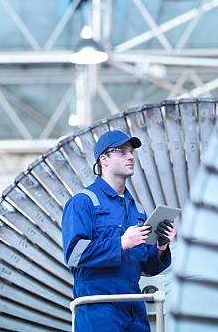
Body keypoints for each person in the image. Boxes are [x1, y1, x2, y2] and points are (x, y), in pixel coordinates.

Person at [62, 129, 177, 332]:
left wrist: (161, 245)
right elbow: (74, 254)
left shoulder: (136, 209)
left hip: (134, 310)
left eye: (131, 151)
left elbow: (146, 266)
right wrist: (121, 243)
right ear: (104, 160)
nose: (131, 156)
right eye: (122, 151)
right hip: (99, 311)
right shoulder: (83, 202)